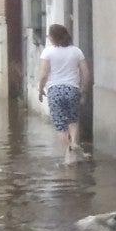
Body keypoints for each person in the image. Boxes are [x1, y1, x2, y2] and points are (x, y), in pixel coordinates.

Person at [37, 23, 91, 161]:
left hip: (54, 91)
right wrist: (84, 91)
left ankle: (68, 157)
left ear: (53, 37)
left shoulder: (47, 52)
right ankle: (74, 143)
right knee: (73, 120)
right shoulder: (76, 51)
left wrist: (40, 90)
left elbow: (44, 74)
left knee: (61, 126)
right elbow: (85, 73)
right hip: (72, 89)